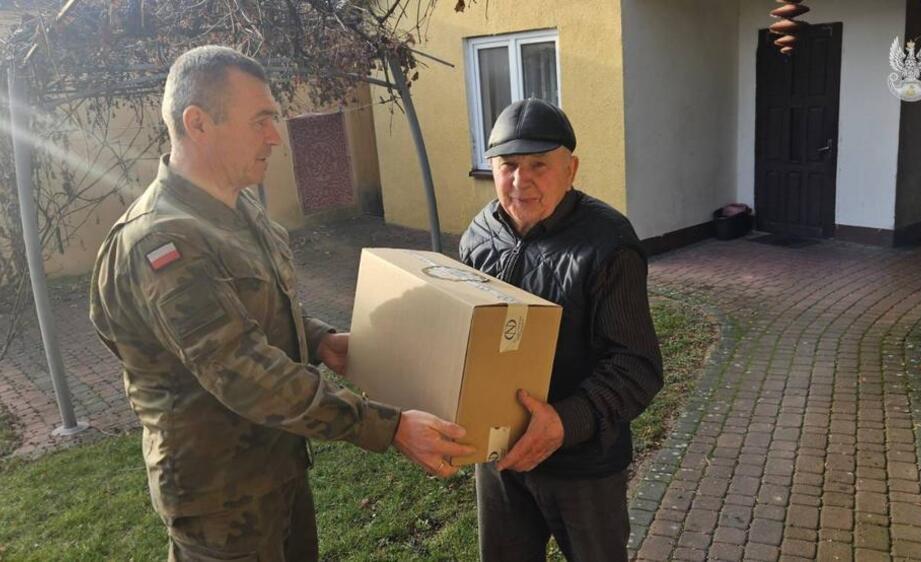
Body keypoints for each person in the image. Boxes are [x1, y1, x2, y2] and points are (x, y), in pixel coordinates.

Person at [89, 45, 472, 562]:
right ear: (197, 123)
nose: (275, 136)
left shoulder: (238, 208)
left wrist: (318, 340)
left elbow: (254, 310)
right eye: (261, 121)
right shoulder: (162, 242)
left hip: (277, 468)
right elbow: (241, 371)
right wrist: (390, 426)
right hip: (220, 501)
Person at [459, 98, 664, 562]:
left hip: (583, 466)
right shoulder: (479, 234)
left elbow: (638, 366)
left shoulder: (608, 244)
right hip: (500, 456)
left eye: (538, 165)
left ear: (570, 170)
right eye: (509, 165)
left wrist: (565, 422)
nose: (521, 180)